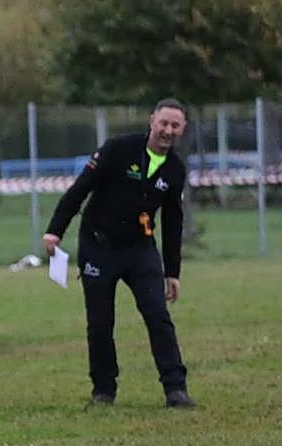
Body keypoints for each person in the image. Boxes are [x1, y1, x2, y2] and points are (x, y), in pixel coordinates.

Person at [44, 98, 195, 408]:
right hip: (98, 247)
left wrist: (173, 272)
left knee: (158, 316)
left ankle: (175, 389)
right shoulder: (118, 149)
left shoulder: (176, 170)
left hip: (140, 250)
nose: (167, 130)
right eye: (163, 123)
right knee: (100, 321)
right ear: (152, 120)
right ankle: (103, 390)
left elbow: (173, 220)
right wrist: (55, 230)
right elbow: (80, 188)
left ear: (182, 129)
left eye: (174, 125)